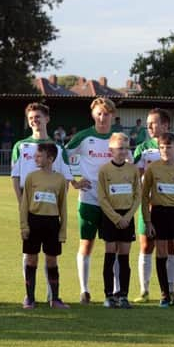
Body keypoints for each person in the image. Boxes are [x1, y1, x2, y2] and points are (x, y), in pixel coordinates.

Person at [132, 109, 174, 303]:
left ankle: (171, 289)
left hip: (172, 207)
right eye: (148, 123)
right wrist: (149, 199)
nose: (149, 127)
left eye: (154, 123)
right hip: (151, 206)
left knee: (171, 247)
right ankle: (145, 289)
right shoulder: (142, 147)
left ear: (166, 125)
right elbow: (137, 176)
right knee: (146, 244)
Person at [11, 102, 73, 301]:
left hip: (50, 211)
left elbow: (65, 180)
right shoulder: (20, 146)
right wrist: (22, 203)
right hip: (30, 208)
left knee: (51, 255)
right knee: (29, 252)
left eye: (38, 117)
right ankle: (28, 295)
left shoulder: (58, 148)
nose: (34, 121)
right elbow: (15, 177)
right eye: (31, 118)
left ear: (47, 119)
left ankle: (51, 295)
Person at [66, 97, 122, 304]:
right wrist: (73, 180)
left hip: (115, 202)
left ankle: (117, 290)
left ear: (112, 115)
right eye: (99, 113)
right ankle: (84, 290)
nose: (102, 117)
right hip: (89, 199)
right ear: (93, 115)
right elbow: (62, 155)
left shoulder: (118, 138)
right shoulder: (83, 137)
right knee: (86, 244)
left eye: (106, 113)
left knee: (114, 246)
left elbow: (129, 164)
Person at [20, 142, 68, 309]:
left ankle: (55, 299)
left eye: (39, 155)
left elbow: (63, 206)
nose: (36, 158)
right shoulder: (31, 177)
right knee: (31, 260)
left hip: (52, 223)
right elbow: (25, 203)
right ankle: (30, 298)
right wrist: (24, 226)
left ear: (50, 158)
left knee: (52, 261)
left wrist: (62, 231)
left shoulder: (60, 179)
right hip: (34, 221)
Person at [97, 133, 140, 309]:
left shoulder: (133, 170)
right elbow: (102, 197)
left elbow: (138, 196)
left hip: (127, 216)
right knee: (109, 255)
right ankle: (108, 295)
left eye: (126, 148)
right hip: (110, 217)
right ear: (111, 150)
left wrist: (128, 217)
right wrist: (116, 218)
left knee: (124, 257)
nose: (123, 151)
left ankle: (123, 295)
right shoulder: (104, 170)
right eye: (119, 148)